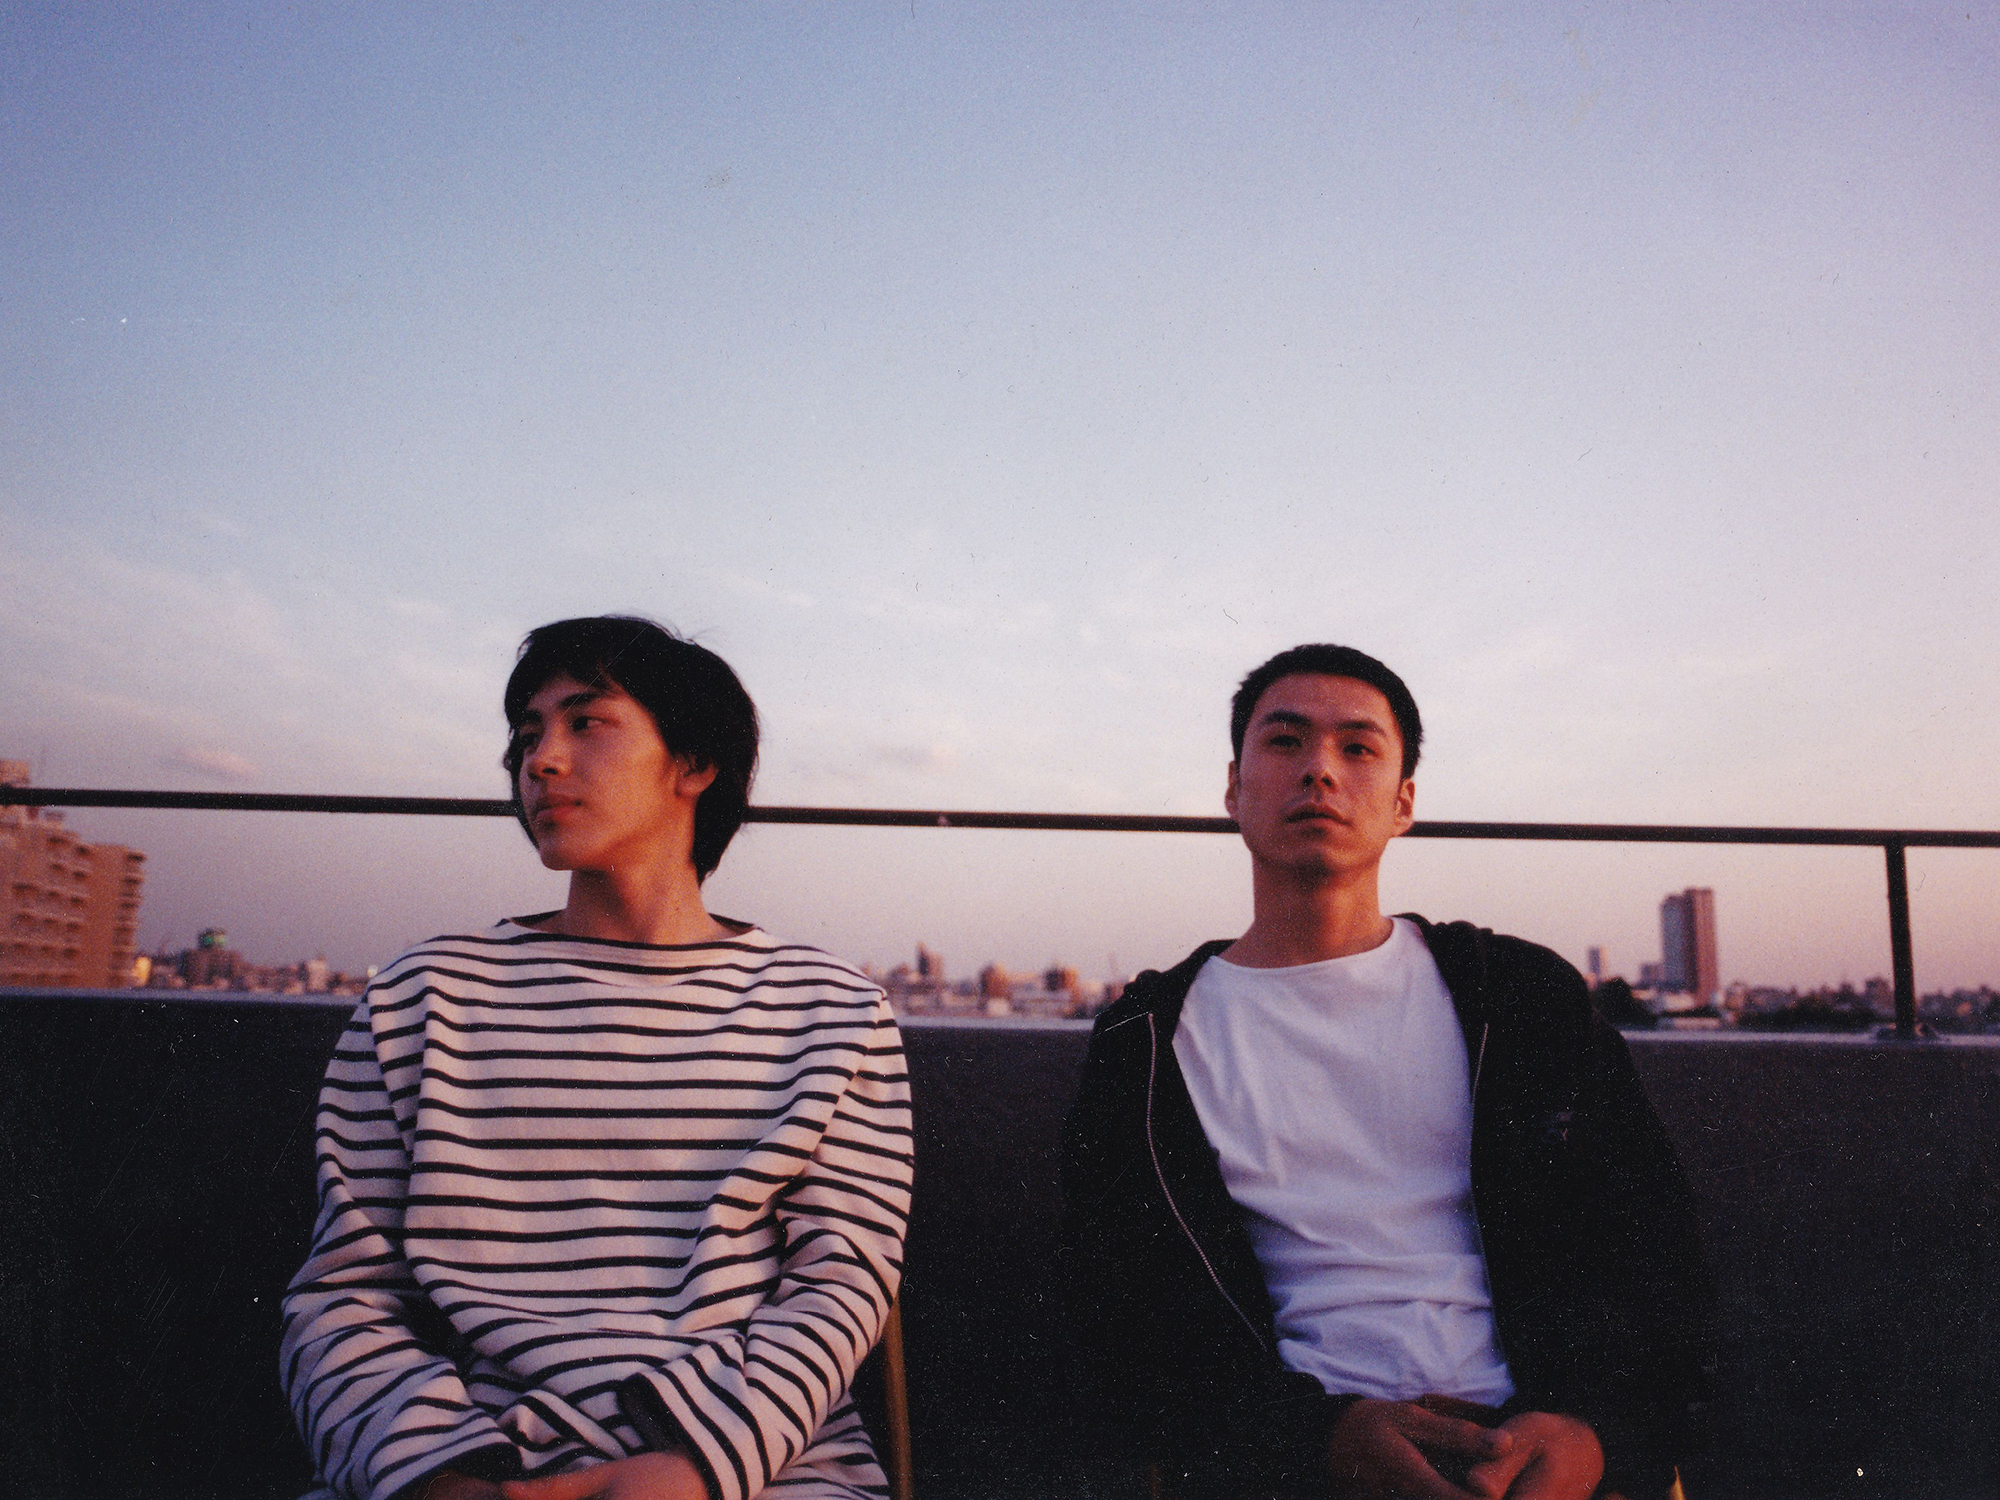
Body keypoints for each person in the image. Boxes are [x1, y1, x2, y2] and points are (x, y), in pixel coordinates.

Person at [1060, 645, 1713, 1500]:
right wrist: (1321, 1439)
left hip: (1537, 1454)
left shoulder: (1516, 996)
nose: (1320, 771)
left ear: (1404, 803)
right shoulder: (1144, 1043)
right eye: (1285, 742)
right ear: (1233, 788)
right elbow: (1124, 1326)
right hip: (1296, 1465)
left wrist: (1593, 1434)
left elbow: (1658, 1249)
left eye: (1358, 748)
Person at [282, 616, 912, 1500]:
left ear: (694, 766)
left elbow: (841, 1286)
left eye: (587, 723)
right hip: (466, 1460)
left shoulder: (830, 1009)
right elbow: (345, 1294)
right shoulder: (421, 998)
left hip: (757, 1472)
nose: (539, 760)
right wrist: (439, 1478)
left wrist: (692, 1470)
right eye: (527, 734)